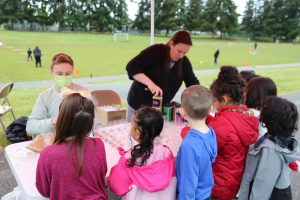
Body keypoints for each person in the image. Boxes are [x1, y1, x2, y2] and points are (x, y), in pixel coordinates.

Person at [36, 93, 108, 200]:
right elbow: (101, 176)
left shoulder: (47, 154)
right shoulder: (98, 145)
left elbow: (44, 190)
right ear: (90, 123)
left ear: (61, 120)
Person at [207, 66, 259, 200]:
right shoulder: (246, 115)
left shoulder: (221, 125)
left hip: (217, 185)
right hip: (233, 182)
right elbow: (229, 131)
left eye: (213, 100)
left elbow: (203, 148)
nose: (212, 103)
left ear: (224, 99)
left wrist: (189, 127)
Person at [126, 30, 199, 121]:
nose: (181, 56)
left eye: (184, 53)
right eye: (179, 51)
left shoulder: (184, 62)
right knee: (136, 134)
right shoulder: (156, 51)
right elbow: (132, 67)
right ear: (172, 43)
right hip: (138, 106)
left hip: (159, 110)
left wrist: (203, 97)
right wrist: (150, 84)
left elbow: (192, 83)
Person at [239, 96, 300, 200]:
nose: (261, 110)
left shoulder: (271, 151)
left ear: (270, 118)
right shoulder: (277, 138)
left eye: (264, 109)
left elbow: (262, 187)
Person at [108, 107, 176, 199]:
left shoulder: (129, 158)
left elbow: (117, 187)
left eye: (131, 125)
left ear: (137, 133)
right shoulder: (167, 154)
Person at [26, 53, 87, 135]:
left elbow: (95, 122)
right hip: (54, 142)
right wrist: (53, 121)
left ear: (72, 72)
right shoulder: (45, 97)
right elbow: (30, 127)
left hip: (78, 140)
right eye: (59, 74)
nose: (64, 77)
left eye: (68, 74)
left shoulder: (83, 92)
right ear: (52, 73)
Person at [176, 85, 217, 199]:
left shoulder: (189, 146)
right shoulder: (211, 131)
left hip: (195, 196)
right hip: (206, 192)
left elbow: (187, 183)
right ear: (210, 110)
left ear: (182, 112)